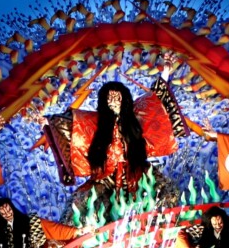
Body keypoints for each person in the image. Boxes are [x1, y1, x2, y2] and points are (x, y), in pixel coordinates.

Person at [43, 58, 186, 200]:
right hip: (107, 175)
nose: (114, 102)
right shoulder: (96, 122)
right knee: (86, 202)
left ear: (124, 99)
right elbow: (72, 122)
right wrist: (47, 122)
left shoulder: (136, 116)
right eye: (109, 98)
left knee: (164, 194)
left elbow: (155, 99)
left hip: (136, 170)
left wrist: (165, 72)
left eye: (117, 97)